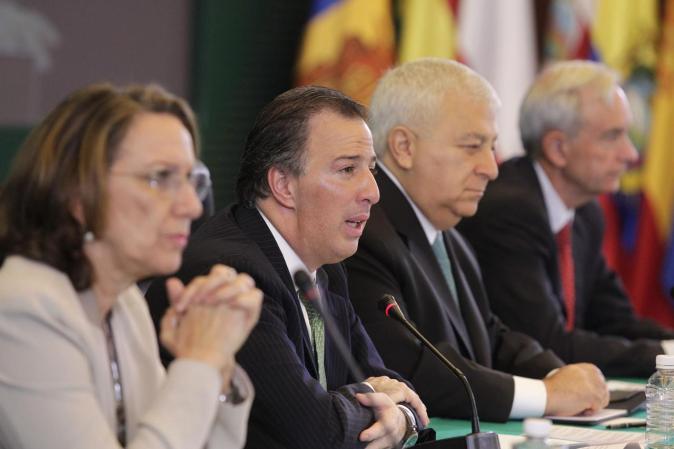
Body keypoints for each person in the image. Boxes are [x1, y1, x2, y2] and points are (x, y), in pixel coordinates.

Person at [145, 85, 429, 449]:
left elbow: (398, 388)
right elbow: (315, 432)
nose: (372, 191)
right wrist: (372, 398)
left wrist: (402, 418)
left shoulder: (325, 269)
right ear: (283, 185)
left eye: (371, 169)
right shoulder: (230, 272)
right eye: (347, 169)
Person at [344, 58, 609, 423]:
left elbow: (489, 336)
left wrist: (558, 373)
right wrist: (548, 395)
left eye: (492, 146)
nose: (492, 168)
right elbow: (411, 370)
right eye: (472, 146)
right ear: (404, 147)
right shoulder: (364, 234)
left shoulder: (449, 234)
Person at [0, 83, 262, 449]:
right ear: (79, 196)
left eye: (190, 180)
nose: (192, 206)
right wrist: (200, 361)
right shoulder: (24, 310)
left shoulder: (126, 303)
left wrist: (216, 363)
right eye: (160, 178)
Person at [458, 60, 674, 377]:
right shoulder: (509, 210)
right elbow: (546, 343)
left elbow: (615, 320)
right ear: (558, 147)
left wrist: (668, 345)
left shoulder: (586, 212)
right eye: (613, 136)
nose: (630, 154)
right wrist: (666, 355)